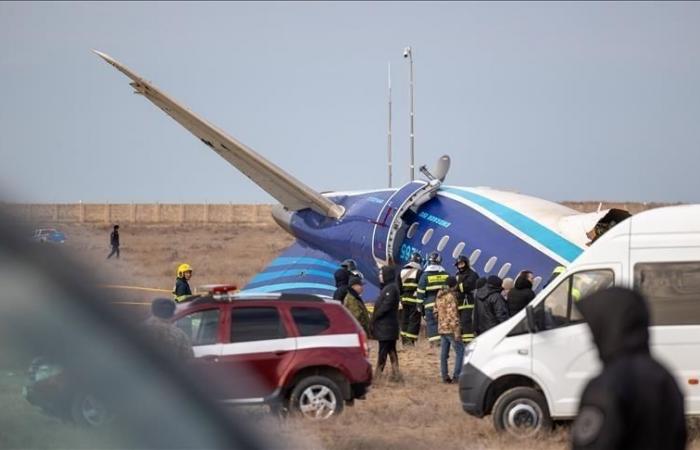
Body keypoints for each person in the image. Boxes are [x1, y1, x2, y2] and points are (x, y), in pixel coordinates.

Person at [571, 288, 686, 450]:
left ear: (610, 326)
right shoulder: (665, 377)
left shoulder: (607, 385)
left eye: (596, 329)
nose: (592, 339)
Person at [370, 265, 402, 381]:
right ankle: (396, 373)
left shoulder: (391, 289)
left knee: (383, 351)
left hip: (387, 326)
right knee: (390, 350)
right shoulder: (386, 288)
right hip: (385, 326)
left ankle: (378, 375)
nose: (379, 276)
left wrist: (375, 316)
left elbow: (386, 306)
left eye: (381, 274)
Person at [434, 276, 464, 384]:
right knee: (461, 351)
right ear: (453, 285)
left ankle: (445, 377)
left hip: (442, 328)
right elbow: (453, 315)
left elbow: (435, 311)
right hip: (451, 329)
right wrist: (456, 331)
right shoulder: (451, 297)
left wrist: (441, 322)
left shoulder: (439, 295)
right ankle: (457, 376)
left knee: (443, 354)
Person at [416, 252, 449, 346]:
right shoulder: (446, 274)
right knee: (444, 323)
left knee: (431, 323)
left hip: (430, 304)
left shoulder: (425, 275)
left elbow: (420, 292)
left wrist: (419, 306)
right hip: (444, 304)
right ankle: (444, 343)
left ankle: (435, 344)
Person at [399, 252, 423, 345]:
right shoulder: (419, 272)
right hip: (414, 300)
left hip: (404, 300)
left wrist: (400, 298)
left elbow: (398, 286)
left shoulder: (401, 271)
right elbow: (421, 286)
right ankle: (410, 340)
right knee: (414, 320)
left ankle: (404, 339)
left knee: (404, 319)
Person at [454, 255, 478, 344]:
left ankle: (468, 342)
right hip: (459, 301)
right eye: (459, 264)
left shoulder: (472, 274)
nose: (460, 266)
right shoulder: (458, 274)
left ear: (466, 264)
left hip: (467, 302)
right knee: (460, 322)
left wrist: (456, 286)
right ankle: (462, 341)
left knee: (466, 322)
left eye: (462, 264)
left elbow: (467, 286)